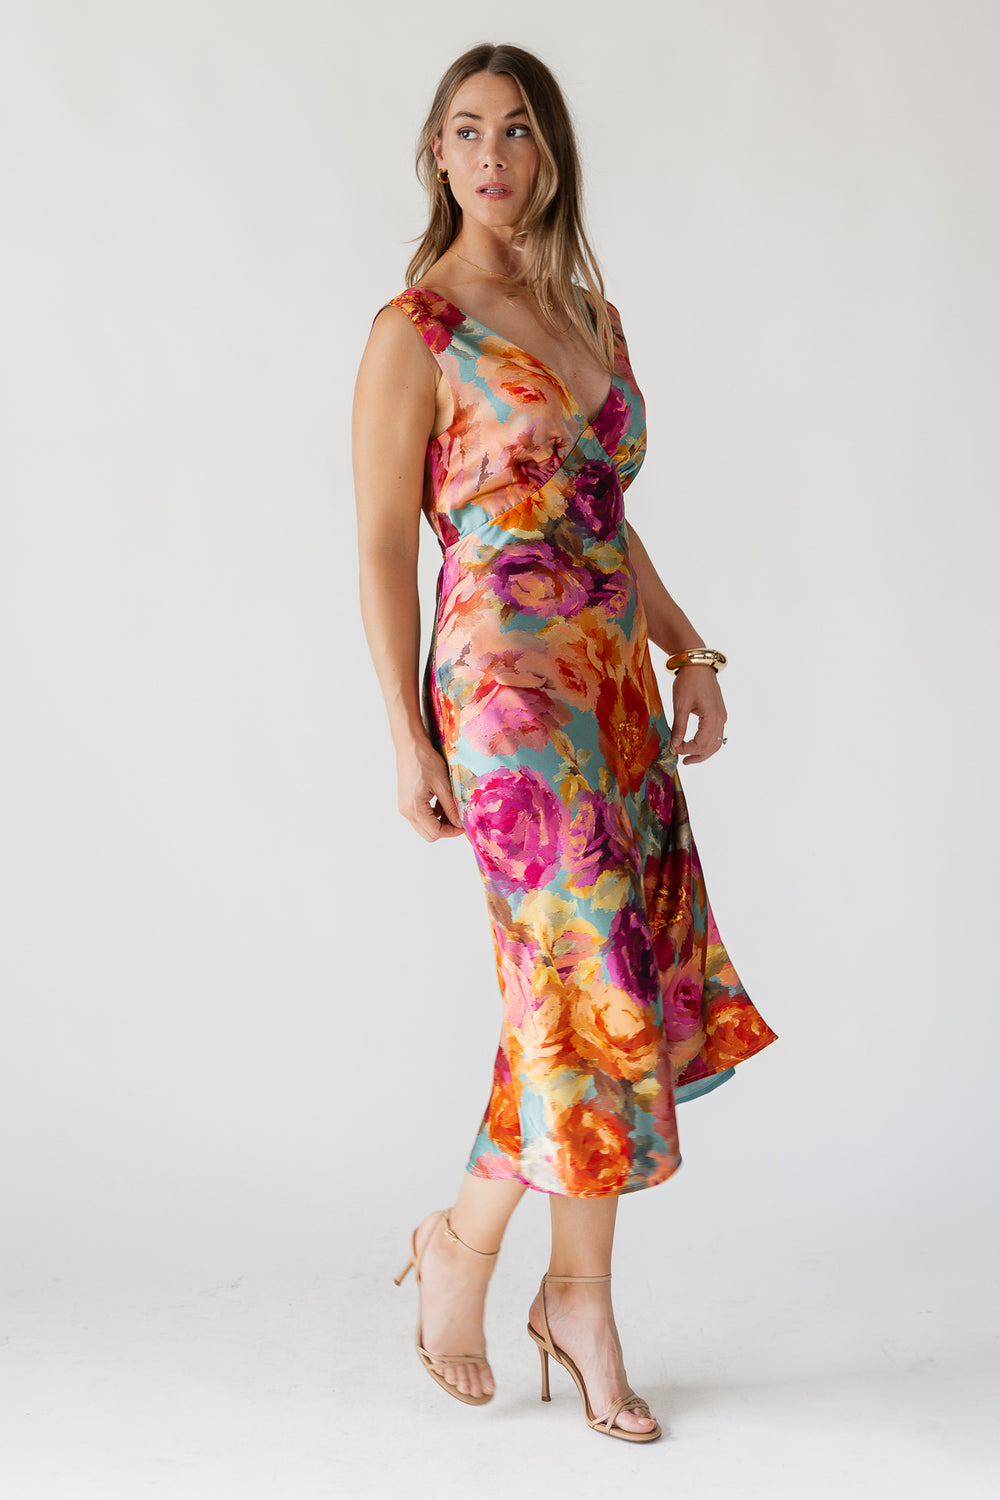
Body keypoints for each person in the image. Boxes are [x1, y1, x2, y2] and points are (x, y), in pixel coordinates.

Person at [352, 42, 778, 1443]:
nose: (491, 154)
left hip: (609, 688)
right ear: (436, 155)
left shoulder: (592, 312)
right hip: (505, 697)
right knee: (583, 976)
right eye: (465, 131)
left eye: (517, 131)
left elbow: (604, 512)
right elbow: (376, 549)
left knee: (603, 986)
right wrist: (409, 737)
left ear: (548, 157)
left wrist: (689, 645)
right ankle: (509, 1272)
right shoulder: (415, 328)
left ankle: (521, 1271)